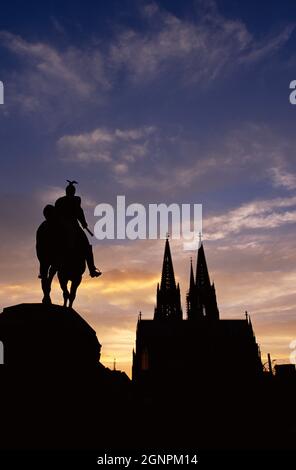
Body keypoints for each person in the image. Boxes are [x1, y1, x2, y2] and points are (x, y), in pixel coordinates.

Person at [55, 180, 101, 278]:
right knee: (86, 246)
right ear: (73, 191)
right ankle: (92, 269)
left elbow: (56, 214)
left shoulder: (59, 201)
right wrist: (84, 223)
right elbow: (79, 212)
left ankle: (44, 269)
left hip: (60, 227)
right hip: (73, 226)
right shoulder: (76, 199)